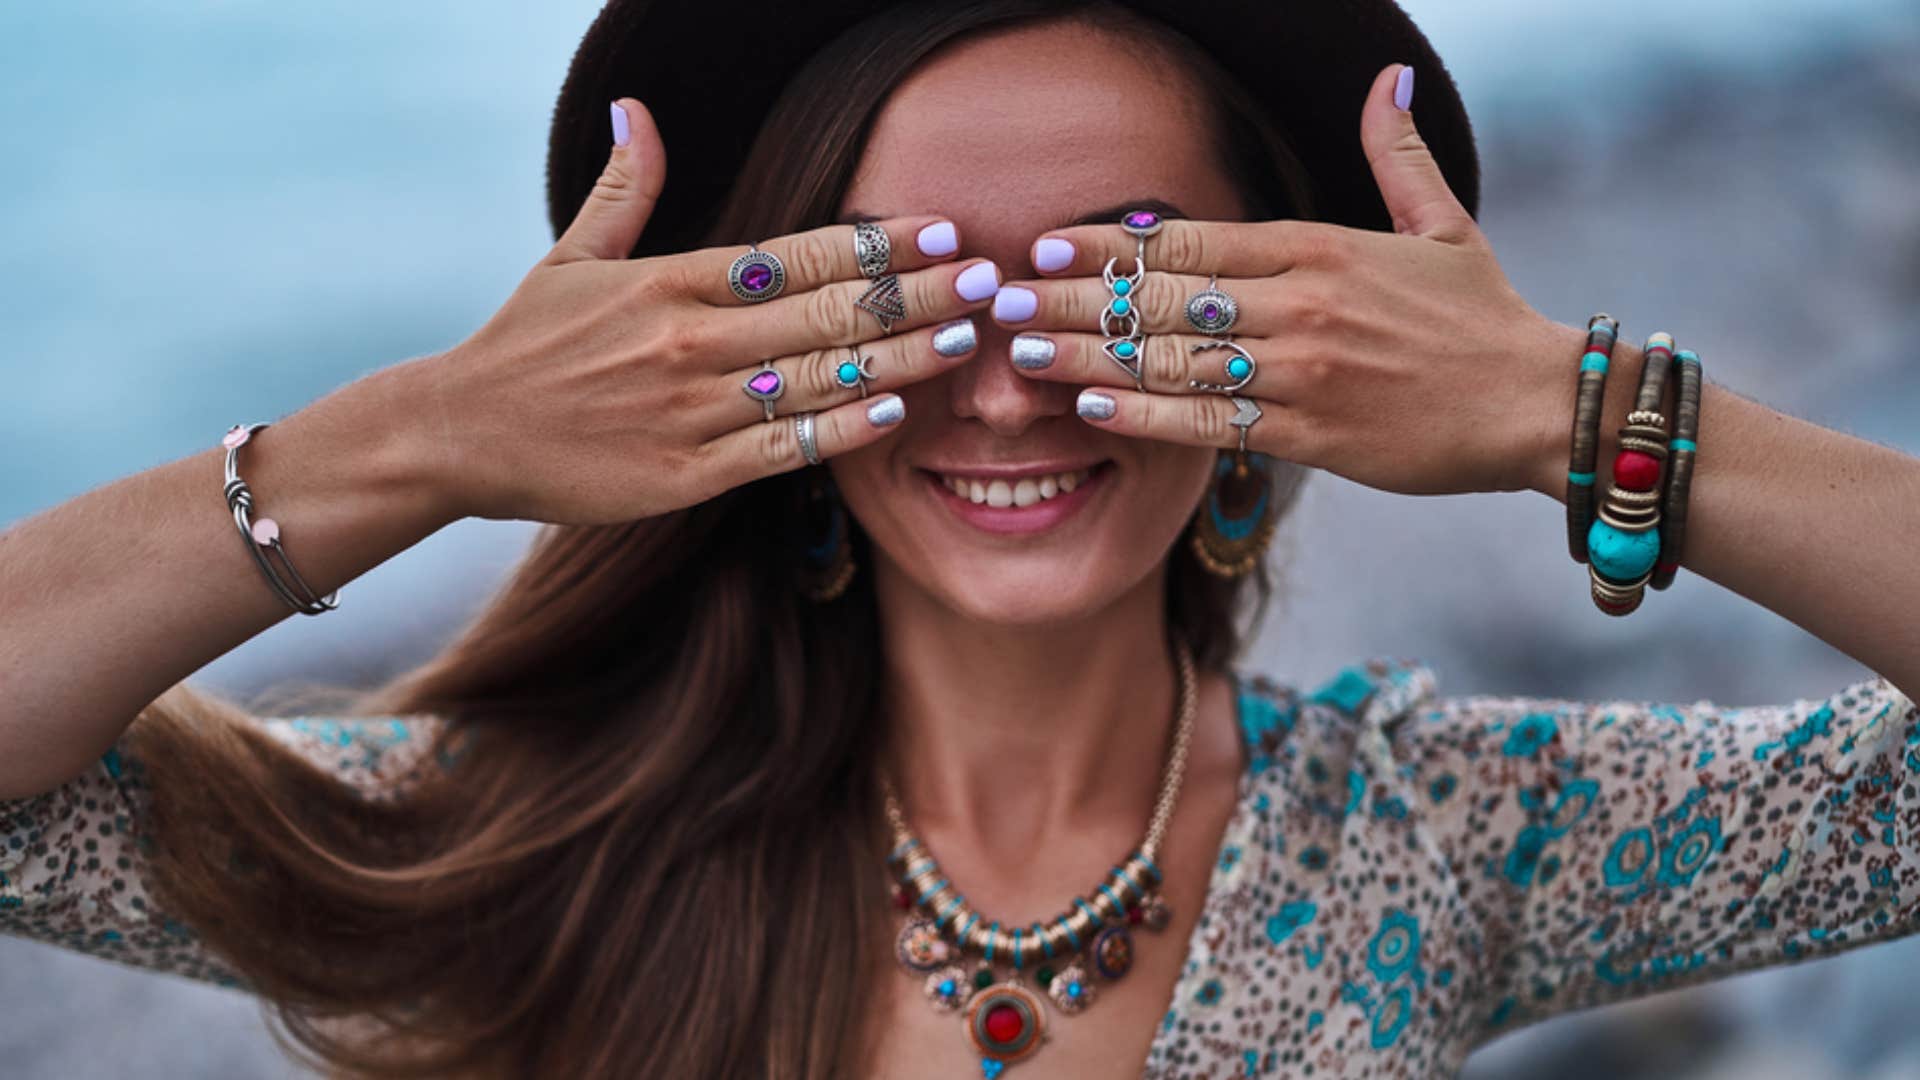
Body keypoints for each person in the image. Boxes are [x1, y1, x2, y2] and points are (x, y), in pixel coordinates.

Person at [1, 0, 1914, 1076]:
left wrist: (1570, 414)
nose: (1001, 392)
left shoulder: (1439, 835)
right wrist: (424, 436)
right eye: (901, 306)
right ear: (762, 357)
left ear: (1284, 338)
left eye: (1114, 296)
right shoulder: (532, 845)